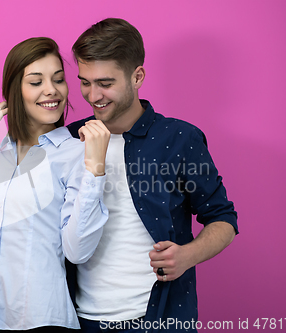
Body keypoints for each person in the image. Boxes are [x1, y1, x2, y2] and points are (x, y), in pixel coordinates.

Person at [66, 18, 238, 333]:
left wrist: (188, 255)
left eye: (105, 82)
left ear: (138, 76)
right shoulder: (69, 141)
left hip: (160, 318)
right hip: (77, 319)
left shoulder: (180, 138)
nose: (92, 95)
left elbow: (224, 218)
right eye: (84, 81)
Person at [0, 37, 110, 332]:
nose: (51, 90)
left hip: (39, 318)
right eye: (36, 82)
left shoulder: (74, 155)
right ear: (13, 91)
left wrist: (95, 169)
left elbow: (78, 250)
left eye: (59, 80)